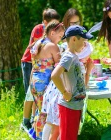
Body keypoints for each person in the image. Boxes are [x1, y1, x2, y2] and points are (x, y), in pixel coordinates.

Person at [42, 8, 94, 140]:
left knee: (72, 136)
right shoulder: (68, 56)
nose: (85, 44)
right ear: (74, 40)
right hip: (69, 106)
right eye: (83, 40)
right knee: (67, 137)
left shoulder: (74, 56)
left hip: (76, 104)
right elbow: (55, 75)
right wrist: (65, 92)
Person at [21, 8, 60, 132]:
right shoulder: (39, 30)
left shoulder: (50, 37)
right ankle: (26, 121)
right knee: (30, 94)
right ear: (45, 22)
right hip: (30, 64)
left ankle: (35, 121)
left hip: (40, 68)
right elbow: (40, 47)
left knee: (40, 101)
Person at [29, 21, 65, 139]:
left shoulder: (38, 42)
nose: (60, 39)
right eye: (60, 36)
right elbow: (60, 63)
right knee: (46, 113)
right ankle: (40, 137)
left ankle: (37, 134)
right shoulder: (52, 46)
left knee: (40, 111)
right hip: (45, 83)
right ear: (52, 33)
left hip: (34, 80)